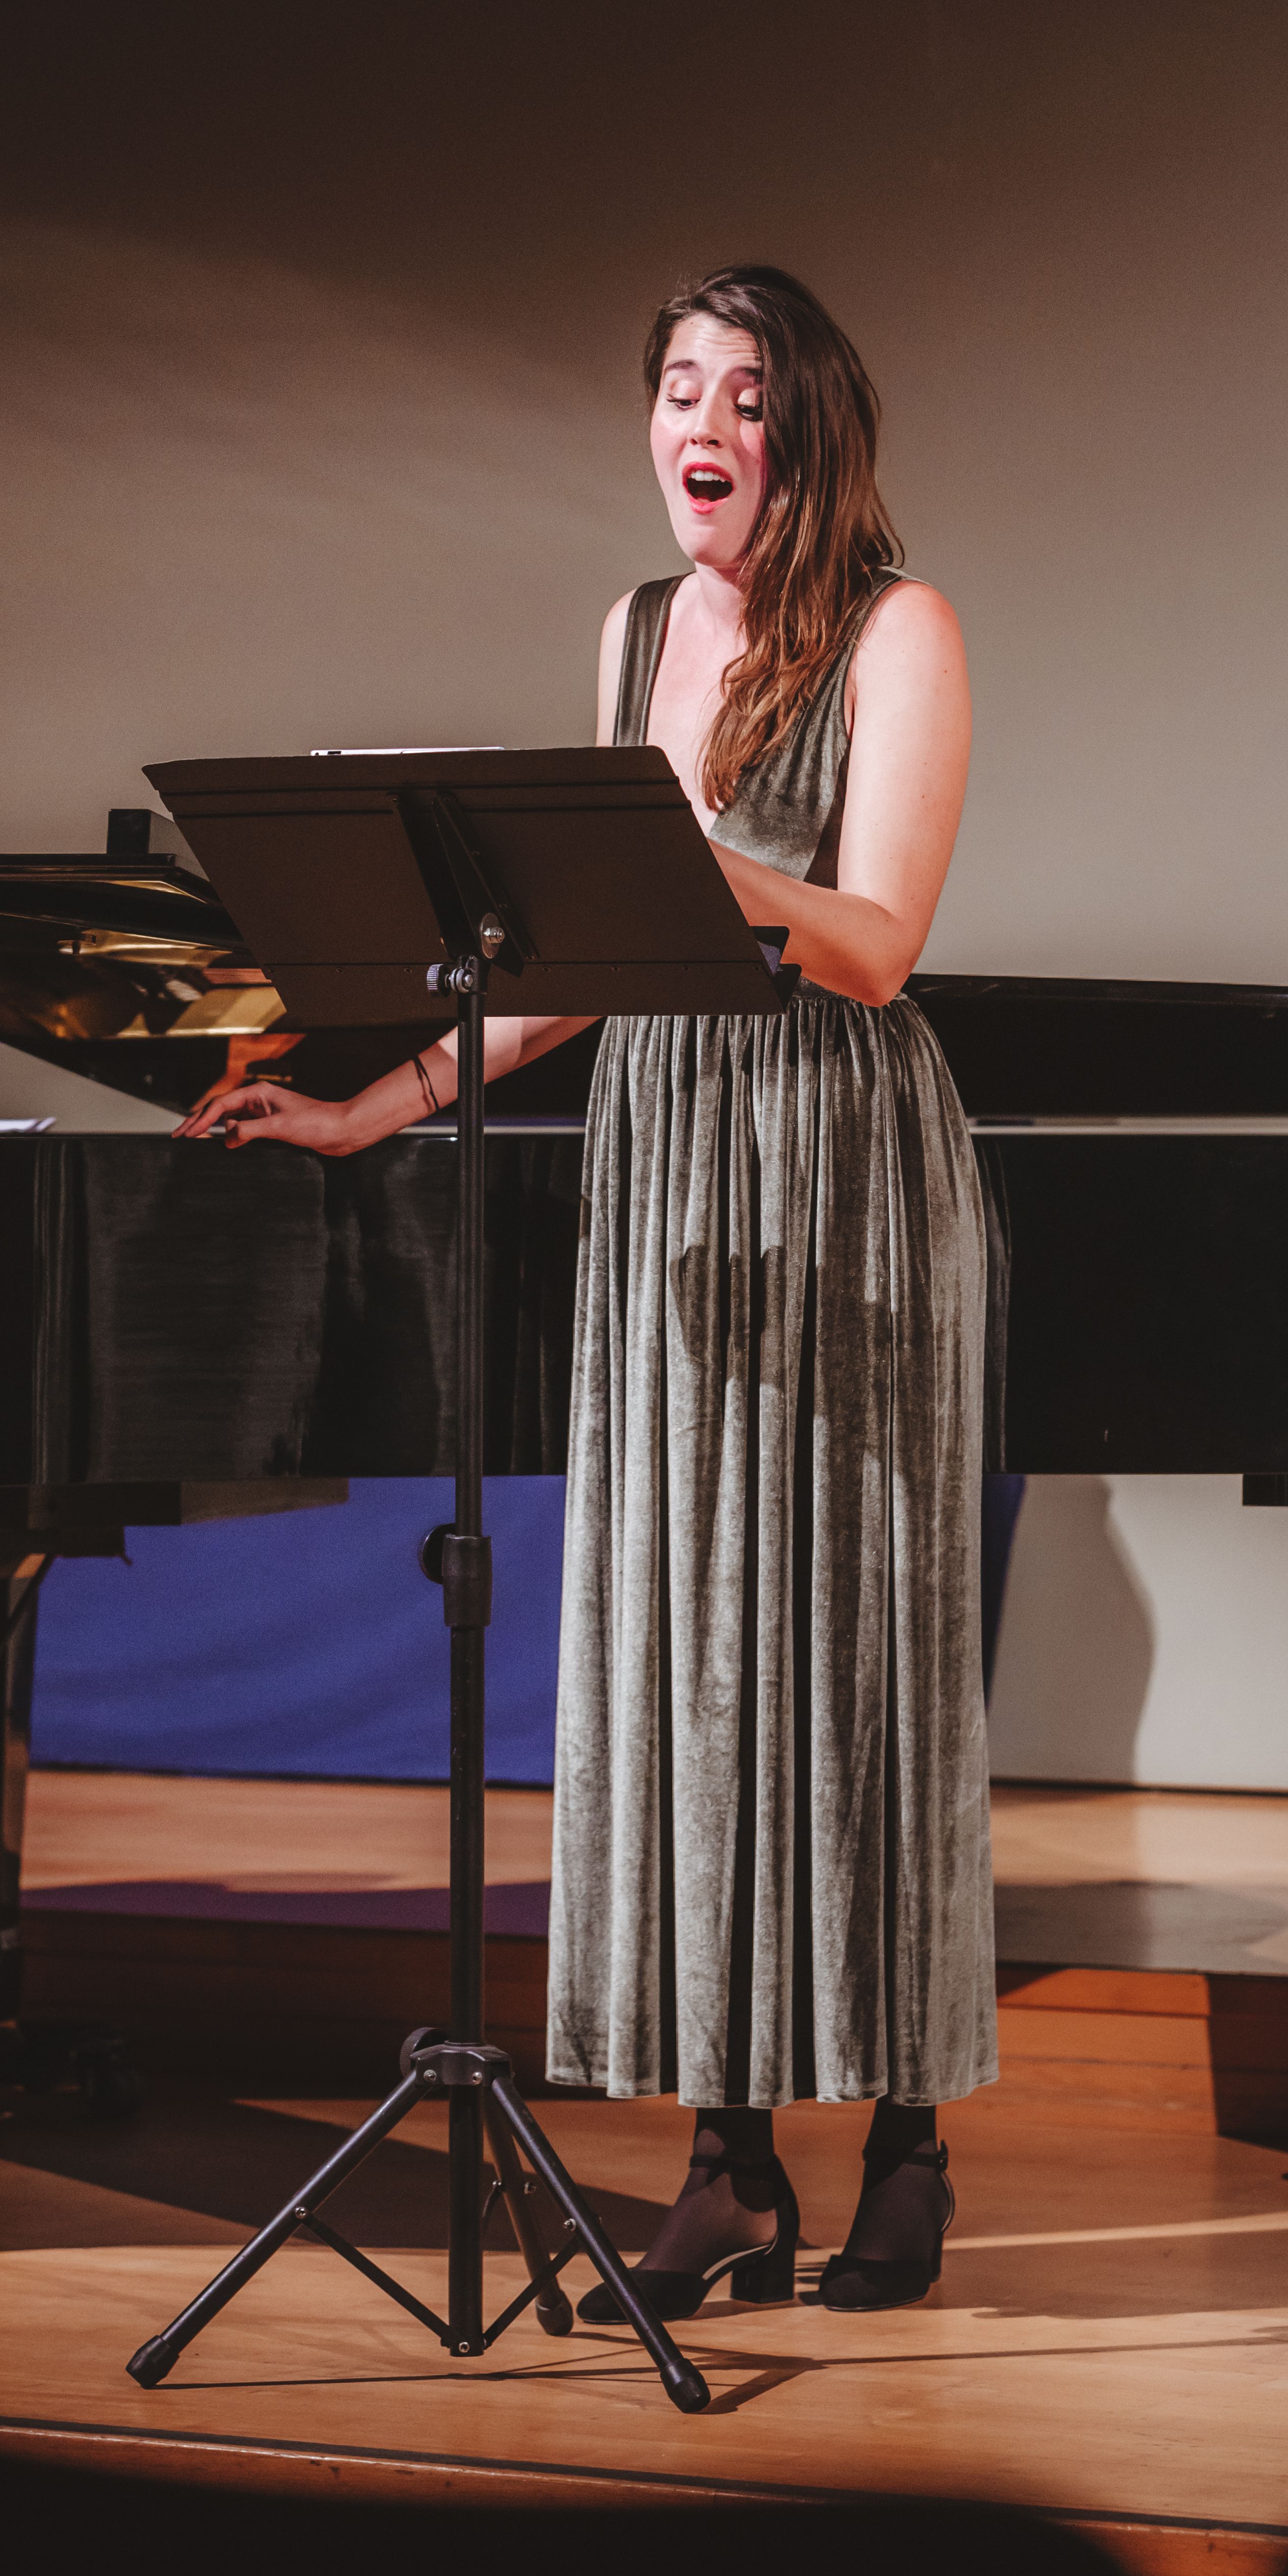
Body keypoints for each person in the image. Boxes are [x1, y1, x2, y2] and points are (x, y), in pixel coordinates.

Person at [178, 263, 994, 2315]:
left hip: (834, 1162)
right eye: (676, 388)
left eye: (745, 391)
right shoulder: (639, 629)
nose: (701, 423)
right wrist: (371, 1109)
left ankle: (904, 2140)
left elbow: (880, 940)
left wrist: (701, 857)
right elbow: (568, 964)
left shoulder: (904, 626)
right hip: (664, 1158)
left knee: (845, 1635)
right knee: (689, 1641)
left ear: (806, 431)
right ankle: (729, 2159)